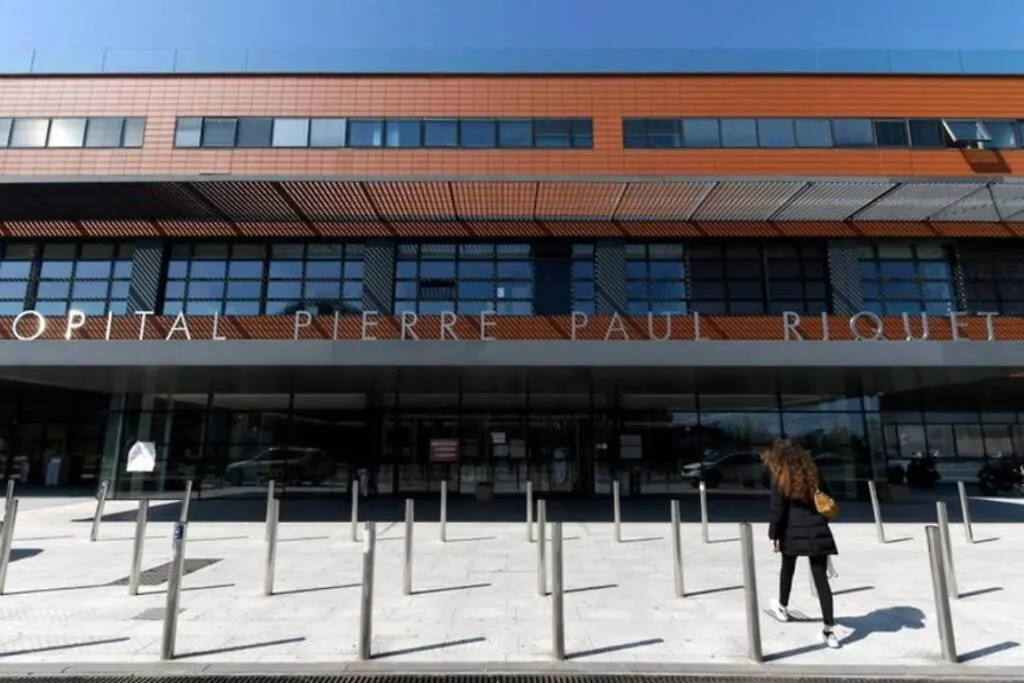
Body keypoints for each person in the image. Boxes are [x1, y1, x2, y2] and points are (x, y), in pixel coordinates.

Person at [762, 439, 840, 649]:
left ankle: (782, 606)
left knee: (787, 568)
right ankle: (829, 630)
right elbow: (828, 498)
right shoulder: (813, 472)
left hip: (792, 531)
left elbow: (777, 510)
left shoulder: (780, 475)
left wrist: (774, 534)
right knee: (821, 579)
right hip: (817, 529)